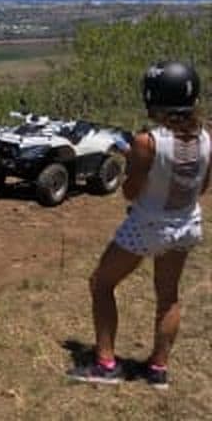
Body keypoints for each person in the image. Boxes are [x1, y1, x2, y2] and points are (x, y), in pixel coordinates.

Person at [69, 61, 210, 389]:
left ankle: (105, 364)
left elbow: (129, 191)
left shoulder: (148, 141)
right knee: (168, 296)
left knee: (101, 283)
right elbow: (202, 187)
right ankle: (158, 368)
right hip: (187, 224)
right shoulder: (206, 138)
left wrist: (131, 162)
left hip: (146, 224)